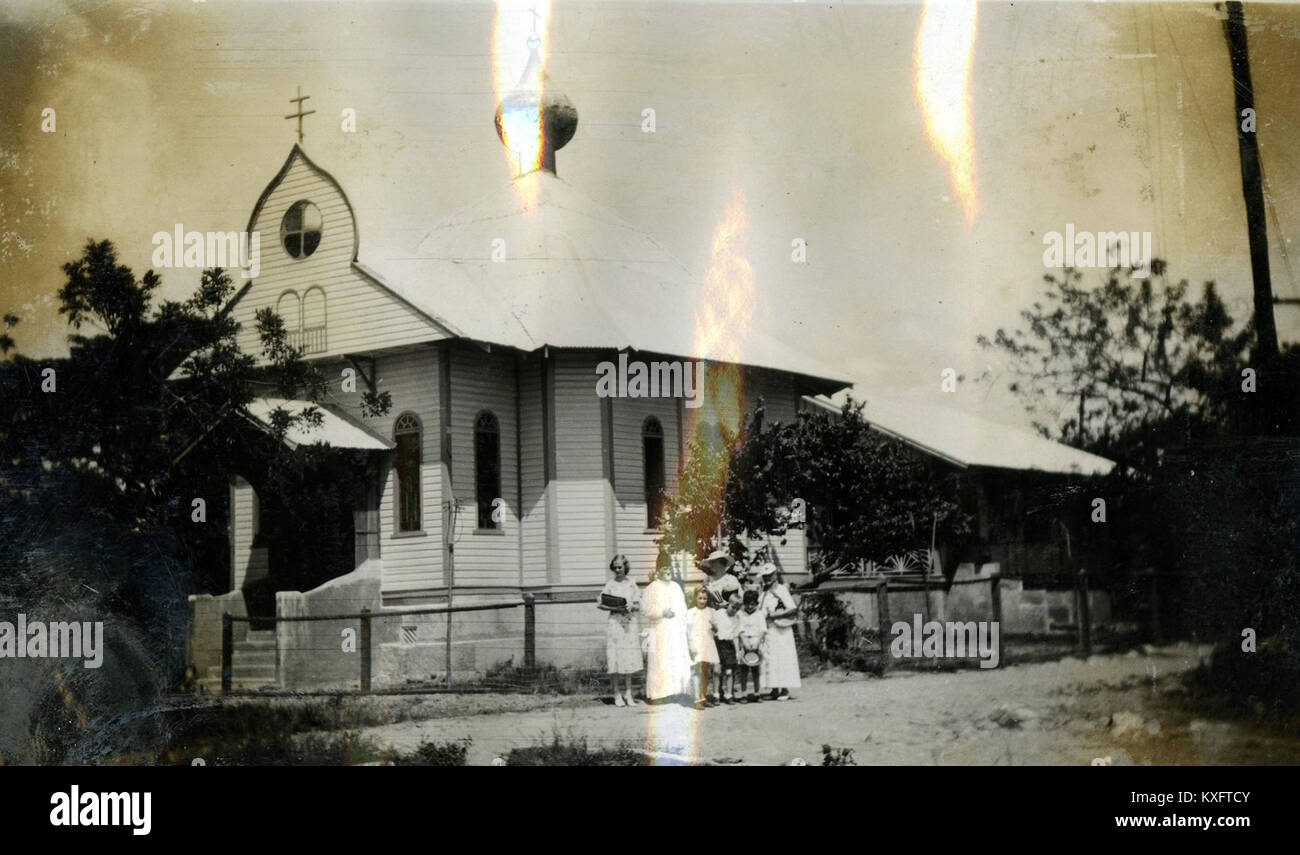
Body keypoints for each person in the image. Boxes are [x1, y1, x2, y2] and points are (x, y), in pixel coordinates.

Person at [641, 551, 692, 703]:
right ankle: (659, 694)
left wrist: (683, 624)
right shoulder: (652, 588)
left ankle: (676, 692)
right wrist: (661, 612)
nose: (667, 571)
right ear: (658, 570)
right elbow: (645, 609)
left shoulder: (676, 587)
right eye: (663, 568)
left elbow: (683, 608)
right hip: (660, 630)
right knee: (661, 661)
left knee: (676, 660)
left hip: (676, 631)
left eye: (669, 568)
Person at [597, 553, 642, 707]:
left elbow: (638, 604)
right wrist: (614, 606)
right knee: (616, 656)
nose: (618, 570)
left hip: (629, 623)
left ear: (625, 567)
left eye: (620, 567)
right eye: (615, 567)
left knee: (628, 656)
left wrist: (632, 606)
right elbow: (600, 604)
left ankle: (629, 693)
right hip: (615, 622)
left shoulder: (632, 583)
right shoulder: (610, 585)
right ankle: (617, 693)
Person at [758, 563, 801, 700]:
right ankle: (774, 689)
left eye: (769, 576)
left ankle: (785, 689)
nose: (767, 579)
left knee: (783, 657)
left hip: (781, 629)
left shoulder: (781, 590)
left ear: (775, 575)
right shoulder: (764, 592)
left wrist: (776, 615)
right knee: (770, 658)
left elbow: (792, 608)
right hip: (769, 629)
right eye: (765, 577)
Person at [685, 587, 720, 709]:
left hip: (707, 642)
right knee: (697, 672)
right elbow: (688, 632)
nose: (702, 601)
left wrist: (715, 627)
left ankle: (703, 696)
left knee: (705, 671)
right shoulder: (690, 612)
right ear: (695, 598)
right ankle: (696, 698)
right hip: (696, 644)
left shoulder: (710, 611)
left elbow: (716, 629)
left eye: (705, 598)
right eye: (700, 598)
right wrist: (691, 646)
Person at [735, 589, 767, 703]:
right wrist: (744, 643)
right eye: (747, 604)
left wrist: (757, 642)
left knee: (756, 670)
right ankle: (743, 693)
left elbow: (763, 630)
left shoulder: (759, 614)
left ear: (756, 604)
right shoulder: (740, 614)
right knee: (743, 670)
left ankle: (757, 693)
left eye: (752, 604)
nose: (749, 606)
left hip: (756, 643)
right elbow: (739, 630)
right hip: (744, 643)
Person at [711, 592, 742, 703]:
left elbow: (736, 636)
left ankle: (729, 695)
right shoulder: (719, 613)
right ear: (728, 604)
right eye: (733, 607)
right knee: (716, 670)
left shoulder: (737, 618)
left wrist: (738, 651)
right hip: (717, 644)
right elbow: (711, 627)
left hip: (729, 646)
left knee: (729, 672)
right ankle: (716, 695)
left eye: (737, 609)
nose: (734, 610)